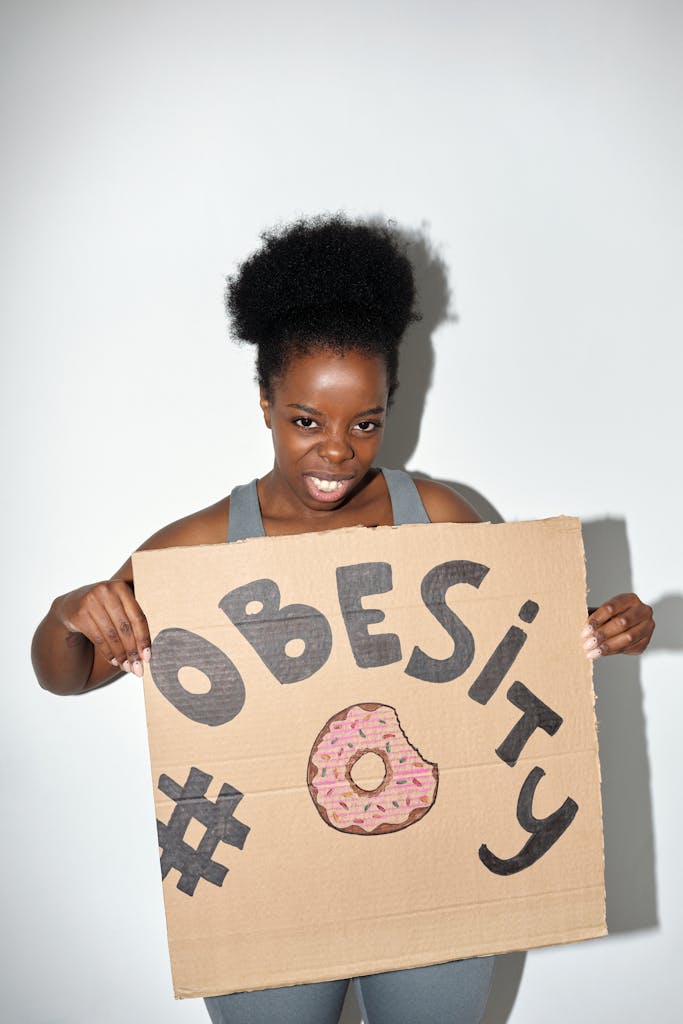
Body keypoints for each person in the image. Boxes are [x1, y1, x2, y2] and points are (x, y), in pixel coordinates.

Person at [31, 216, 655, 1024]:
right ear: (263, 404)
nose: (336, 451)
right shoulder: (198, 546)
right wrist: (70, 612)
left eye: (365, 422)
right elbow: (66, 674)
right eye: (305, 421)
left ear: (390, 407)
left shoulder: (434, 515)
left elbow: (525, 648)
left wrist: (606, 628)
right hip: (270, 891)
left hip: (441, 883)